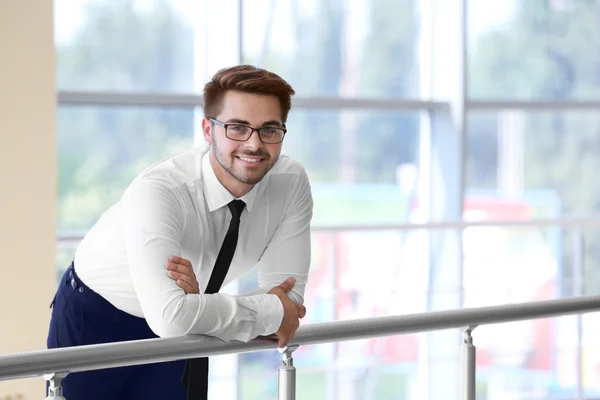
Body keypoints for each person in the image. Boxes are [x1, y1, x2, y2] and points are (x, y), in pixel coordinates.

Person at [46, 64, 313, 400]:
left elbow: (288, 297)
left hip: (184, 325)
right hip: (97, 317)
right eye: (237, 128)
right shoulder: (161, 189)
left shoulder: (290, 183)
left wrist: (196, 308)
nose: (254, 144)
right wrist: (266, 313)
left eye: (269, 130)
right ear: (207, 129)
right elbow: (174, 316)